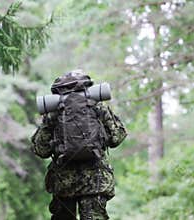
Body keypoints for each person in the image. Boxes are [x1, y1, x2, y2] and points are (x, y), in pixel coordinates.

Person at [31, 70, 127, 220]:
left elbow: (40, 150)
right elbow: (117, 138)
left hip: (64, 183)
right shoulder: (97, 106)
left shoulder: (53, 112)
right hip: (95, 181)